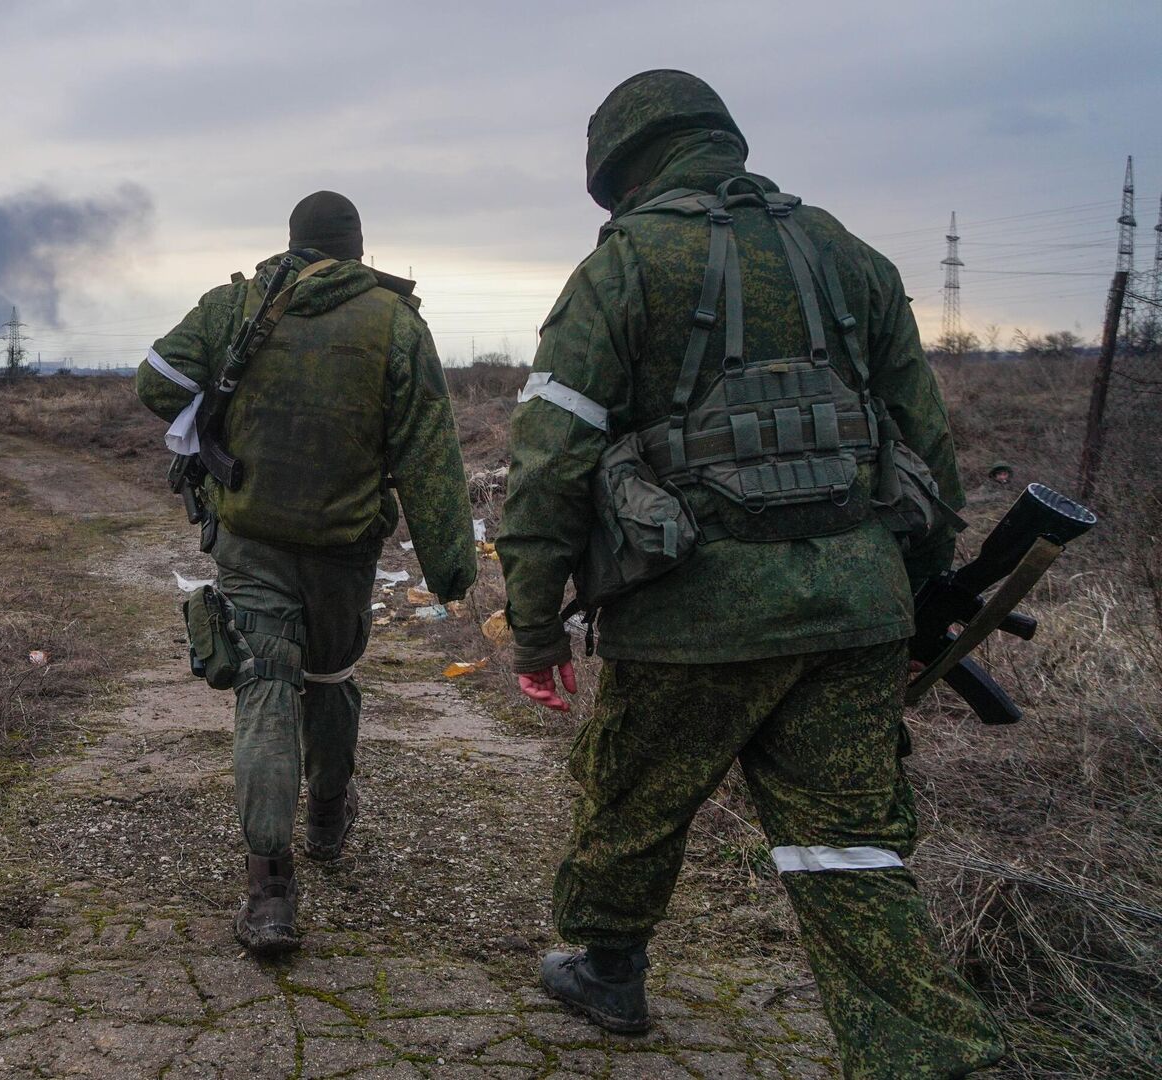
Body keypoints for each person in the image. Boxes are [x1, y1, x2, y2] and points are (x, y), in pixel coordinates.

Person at [496, 71, 1007, 1077]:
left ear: (620, 168)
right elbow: (928, 451)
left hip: (692, 614)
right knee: (849, 843)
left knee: (632, 795)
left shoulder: (626, 267)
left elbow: (548, 461)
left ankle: (609, 970)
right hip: (858, 601)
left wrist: (534, 628)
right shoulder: (848, 254)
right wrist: (907, 594)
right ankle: (930, 1052)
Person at [136, 191, 476, 956]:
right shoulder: (396, 323)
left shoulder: (236, 305)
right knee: (328, 681)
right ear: (358, 249)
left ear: (290, 242)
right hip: (342, 553)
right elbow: (430, 456)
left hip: (250, 541)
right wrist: (451, 571)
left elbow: (154, 382)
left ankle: (269, 898)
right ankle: (326, 820)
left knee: (262, 688)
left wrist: (222, 406)